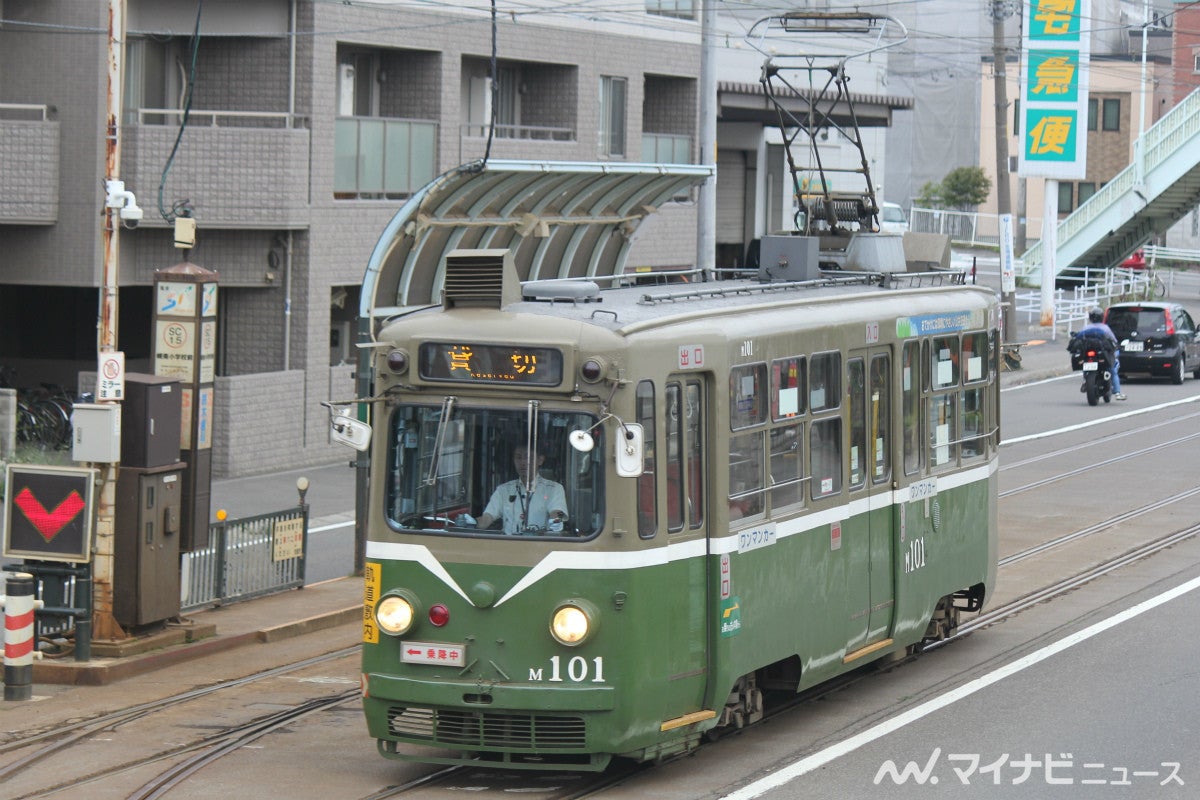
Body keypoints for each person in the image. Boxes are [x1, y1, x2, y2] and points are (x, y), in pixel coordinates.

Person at [464, 445, 568, 534]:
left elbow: (557, 512)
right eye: (518, 457)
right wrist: (473, 522)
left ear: (540, 460)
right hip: (509, 548)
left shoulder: (554, 489)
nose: (523, 462)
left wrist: (555, 520)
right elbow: (487, 518)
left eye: (528, 457)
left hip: (541, 547)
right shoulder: (503, 490)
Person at [1076, 306, 1126, 400]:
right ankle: (1118, 392)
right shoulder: (1105, 328)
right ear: (1101, 317)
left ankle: (1084, 381)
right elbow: (1113, 340)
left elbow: (1079, 338)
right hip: (1102, 354)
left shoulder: (1086, 327)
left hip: (1088, 354)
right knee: (1113, 370)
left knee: (1085, 366)